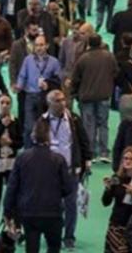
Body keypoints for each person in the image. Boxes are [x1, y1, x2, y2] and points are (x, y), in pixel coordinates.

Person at [4, 118, 73, 253]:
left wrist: (7, 211)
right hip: (53, 212)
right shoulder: (59, 159)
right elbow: (68, 188)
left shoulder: (22, 158)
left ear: (32, 136)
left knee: (31, 248)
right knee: (54, 248)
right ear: (49, 137)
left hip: (29, 212)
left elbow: (12, 187)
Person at [41, 90, 93, 250]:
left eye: (63, 99)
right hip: (49, 172)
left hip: (71, 170)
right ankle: (53, 233)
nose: (62, 103)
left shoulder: (74, 119)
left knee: (71, 205)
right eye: (57, 100)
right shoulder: (42, 121)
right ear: (49, 103)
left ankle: (69, 236)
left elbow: (84, 140)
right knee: (52, 205)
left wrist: (87, 159)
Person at [72, 34, 118, 163]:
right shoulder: (109, 56)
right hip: (104, 95)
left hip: (86, 96)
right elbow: (115, 73)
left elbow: (75, 78)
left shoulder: (83, 58)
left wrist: (75, 93)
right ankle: (104, 152)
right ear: (100, 42)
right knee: (103, 124)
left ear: (88, 43)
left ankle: (90, 152)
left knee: (89, 124)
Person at [15, 35, 62, 145]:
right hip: (30, 95)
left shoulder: (54, 62)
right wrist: (19, 85)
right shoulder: (28, 60)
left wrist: (48, 85)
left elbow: (58, 80)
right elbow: (22, 75)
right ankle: (29, 150)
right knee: (29, 126)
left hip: (46, 98)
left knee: (46, 125)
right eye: (36, 45)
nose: (39, 48)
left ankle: (46, 148)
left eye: (41, 45)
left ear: (47, 46)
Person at [0, 94, 22, 238]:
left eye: (8, 103)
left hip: (11, 163)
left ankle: (14, 225)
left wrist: (11, 142)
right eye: (2, 102)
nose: (5, 105)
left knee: (13, 195)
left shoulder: (16, 121)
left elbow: (20, 142)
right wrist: (2, 126)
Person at [102, 146, 132, 253]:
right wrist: (108, 189)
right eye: (125, 158)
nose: (128, 161)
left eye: (131, 159)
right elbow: (105, 202)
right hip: (116, 225)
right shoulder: (116, 178)